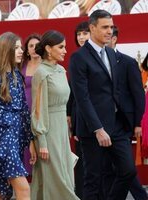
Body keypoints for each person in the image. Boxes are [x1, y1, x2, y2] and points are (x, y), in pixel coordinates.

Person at [69, 9, 142, 200]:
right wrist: (98, 129)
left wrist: (132, 121)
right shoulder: (79, 58)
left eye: (111, 27)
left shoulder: (110, 54)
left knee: (128, 170)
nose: (109, 31)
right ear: (92, 28)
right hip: (93, 129)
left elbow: (117, 91)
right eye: (105, 27)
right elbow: (82, 98)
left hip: (117, 126)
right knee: (93, 179)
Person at [0, 32, 37, 200]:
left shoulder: (17, 76)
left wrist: (30, 141)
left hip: (15, 138)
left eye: (20, 47)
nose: (20, 51)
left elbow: (24, 111)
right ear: (6, 49)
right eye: (16, 47)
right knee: (23, 188)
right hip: (1, 141)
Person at [31, 30, 79, 200]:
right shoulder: (41, 73)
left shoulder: (61, 70)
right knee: (57, 181)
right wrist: (42, 141)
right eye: (61, 47)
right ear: (49, 49)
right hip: (48, 133)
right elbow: (37, 111)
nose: (65, 50)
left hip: (62, 132)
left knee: (65, 177)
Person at [101, 25, 148, 200]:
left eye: (108, 35)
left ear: (114, 39)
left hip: (123, 123)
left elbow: (138, 95)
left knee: (125, 167)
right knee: (108, 168)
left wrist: (137, 123)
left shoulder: (128, 62)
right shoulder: (95, 61)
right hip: (102, 124)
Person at [67, 21, 90, 199]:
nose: (81, 37)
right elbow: (73, 92)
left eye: (85, 33)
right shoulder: (76, 58)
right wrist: (69, 116)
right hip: (80, 117)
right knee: (82, 159)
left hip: (101, 116)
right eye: (79, 34)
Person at [22, 33, 41, 175]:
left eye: (37, 45)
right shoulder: (21, 66)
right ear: (27, 49)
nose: (34, 48)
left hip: (42, 112)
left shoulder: (48, 65)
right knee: (27, 149)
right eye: (31, 46)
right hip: (24, 112)